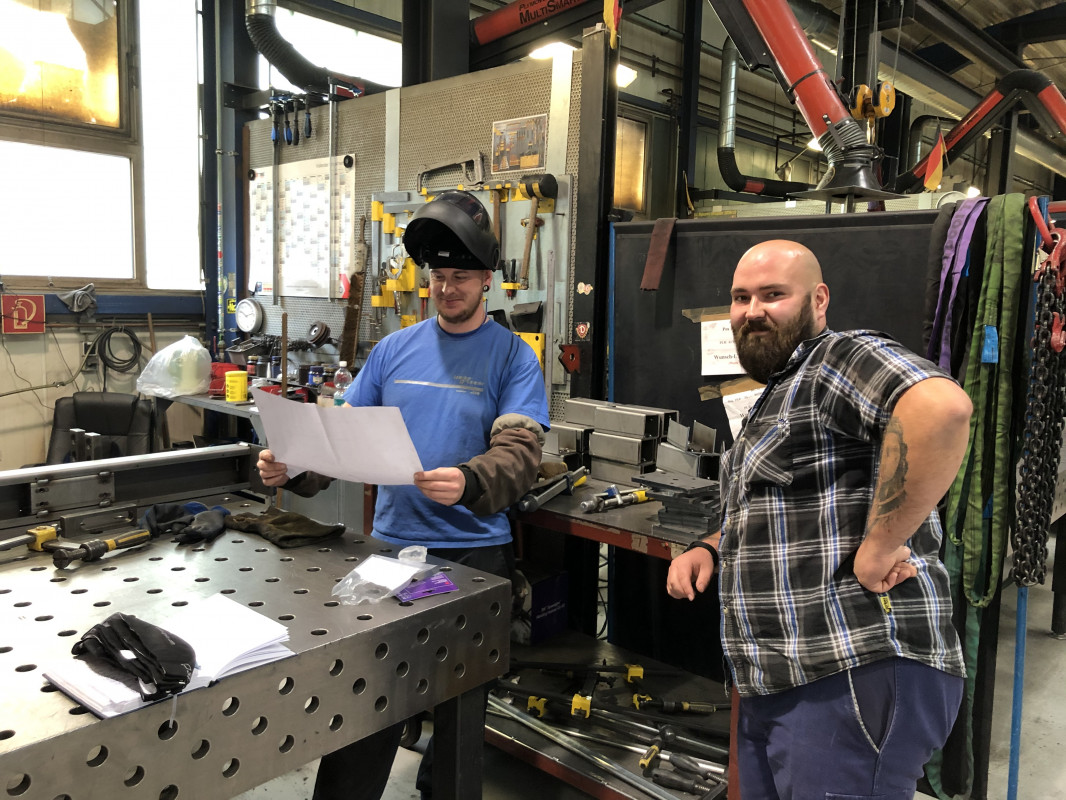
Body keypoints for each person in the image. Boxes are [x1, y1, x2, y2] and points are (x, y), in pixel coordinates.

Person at [257, 190, 550, 800]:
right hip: (392, 552)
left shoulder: (513, 358)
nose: (447, 287)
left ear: (487, 280)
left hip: (473, 556)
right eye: (438, 275)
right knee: (367, 699)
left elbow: (520, 454)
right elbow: (341, 438)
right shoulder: (393, 351)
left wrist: (471, 480)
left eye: (461, 276)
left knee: (461, 709)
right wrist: (295, 469)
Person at [666, 239, 972, 799]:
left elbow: (940, 409)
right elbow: (781, 508)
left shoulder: (834, 359)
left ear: (819, 299)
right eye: (740, 297)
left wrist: (880, 548)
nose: (752, 311)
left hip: (847, 667)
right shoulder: (780, 393)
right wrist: (712, 545)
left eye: (773, 295)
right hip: (781, 678)